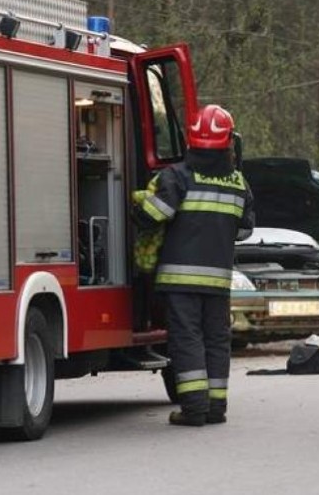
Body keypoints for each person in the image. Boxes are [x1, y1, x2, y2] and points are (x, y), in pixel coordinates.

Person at [133, 104, 254, 427]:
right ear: (229, 143)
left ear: (191, 139)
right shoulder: (238, 182)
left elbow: (153, 216)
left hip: (179, 279)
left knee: (187, 339)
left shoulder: (176, 177)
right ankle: (216, 408)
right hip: (218, 280)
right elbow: (245, 230)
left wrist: (138, 201)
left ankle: (194, 409)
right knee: (216, 339)